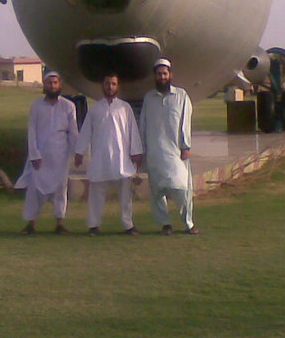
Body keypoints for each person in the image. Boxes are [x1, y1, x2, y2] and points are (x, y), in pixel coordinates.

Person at [74, 73, 143, 236]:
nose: (110, 87)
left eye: (113, 84)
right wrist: (79, 152)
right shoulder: (95, 109)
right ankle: (93, 225)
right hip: (100, 158)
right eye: (107, 84)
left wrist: (136, 152)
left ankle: (128, 225)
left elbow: (133, 131)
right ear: (102, 86)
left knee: (125, 195)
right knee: (96, 194)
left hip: (121, 159)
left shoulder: (124, 108)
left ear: (117, 86)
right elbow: (86, 132)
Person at [15, 71, 78, 235]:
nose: (53, 86)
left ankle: (59, 223)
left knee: (60, 190)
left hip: (60, 156)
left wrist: (77, 153)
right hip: (40, 157)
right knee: (34, 189)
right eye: (50, 83)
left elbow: (73, 132)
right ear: (45, 85)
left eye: (55, 83)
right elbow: (32, 131)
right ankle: (30, 224)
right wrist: (34, 155)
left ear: (60, 84)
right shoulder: (36, 106)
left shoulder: (68, 106)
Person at [140, 58, 197, 235]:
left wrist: (186, 145)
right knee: (157, 192)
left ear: (170, 75)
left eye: (165, 73)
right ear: (155, 76)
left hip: (176, 152)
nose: (162, 77)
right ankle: (165, 224)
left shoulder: (181, 96)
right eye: (159, 74)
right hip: (155, 152)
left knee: (182, 189)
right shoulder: (149, 98)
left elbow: (185, 122)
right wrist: (142, 149)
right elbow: (143, 124)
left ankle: (188, 223)